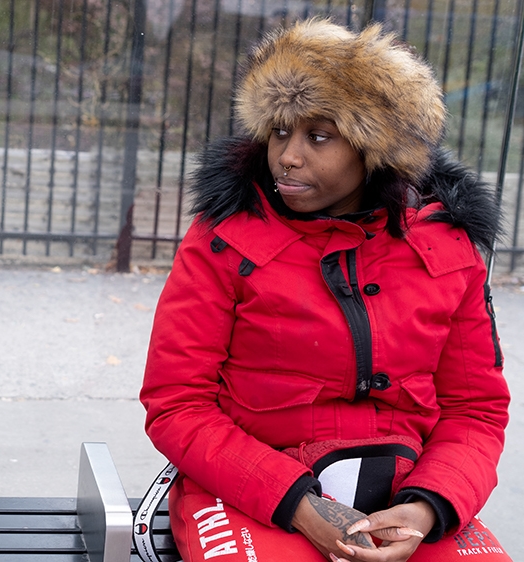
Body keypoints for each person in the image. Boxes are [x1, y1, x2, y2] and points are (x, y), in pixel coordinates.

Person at [140, 18, 511, 562]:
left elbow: (476, 411)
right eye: (279, 132)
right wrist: (295, 503)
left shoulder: (447, 248)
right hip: (251, 490)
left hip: (409, 493)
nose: (287, 156)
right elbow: (177, 403)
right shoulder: (224, 239)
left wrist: (428, 507)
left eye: (318, 137)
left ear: (376, 149)